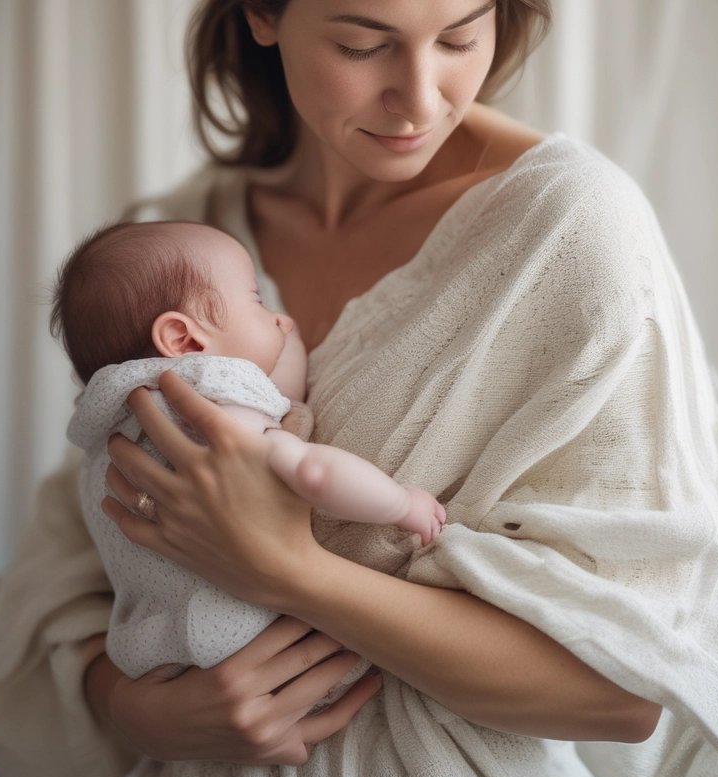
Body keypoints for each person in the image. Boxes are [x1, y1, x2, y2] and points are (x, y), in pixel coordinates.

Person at [0, 0, 718, 777]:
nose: (421, 97)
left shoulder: (567, 232)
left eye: (461, 37)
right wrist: (139, 710)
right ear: (261, 12)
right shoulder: (185, 241)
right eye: (364, 43)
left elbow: (622, 687)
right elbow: (73, 572)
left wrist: (292, 568)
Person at [51, 218, 445, 684]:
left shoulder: (110, 433)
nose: (280, 319)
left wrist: (275, 340)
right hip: (254, 646)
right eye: (257, 301)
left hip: (156, 658)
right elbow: (315, 474)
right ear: (182, 339)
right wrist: (402, 503)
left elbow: (280, 399)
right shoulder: (219, 414)